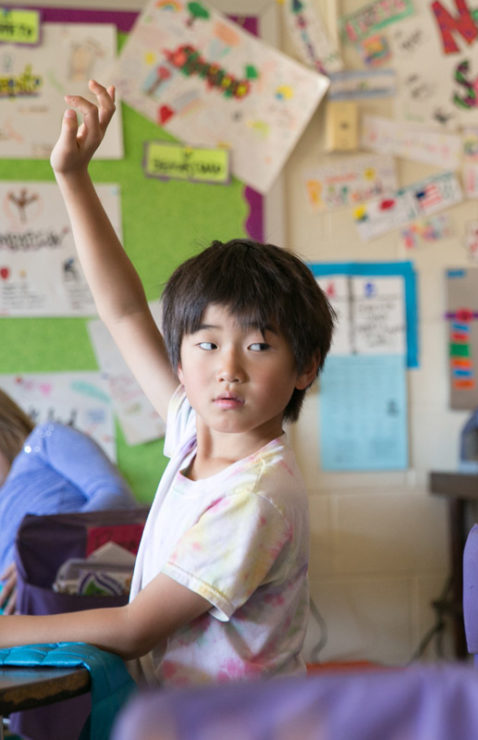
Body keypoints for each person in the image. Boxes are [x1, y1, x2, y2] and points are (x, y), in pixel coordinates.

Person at [0, 80, 334, 687]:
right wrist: (73, 177)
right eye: (206, 344)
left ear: (305, 366)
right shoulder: (194, 429)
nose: (227, 368)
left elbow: (136, 629)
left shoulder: (254, 498)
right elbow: (126, 312)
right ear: (181, 360)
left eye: (258, 346)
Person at [0, 388, 137, 614]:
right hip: (22, 631)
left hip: (74, 610)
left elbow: (116, 496)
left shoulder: (44, 441)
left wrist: (44, 550)